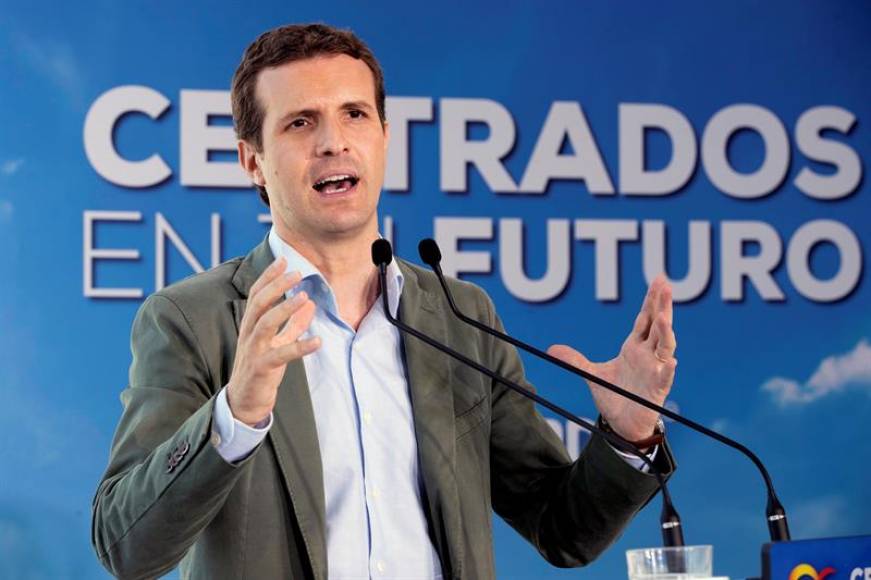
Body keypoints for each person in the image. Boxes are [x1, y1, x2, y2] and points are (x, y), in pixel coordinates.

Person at [91, 23, 678, 580]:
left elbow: (563, 529)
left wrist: (628, 434)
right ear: (253, 162)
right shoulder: (193, 320)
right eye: (300, 122)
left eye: (355, 114)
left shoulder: (461, 317)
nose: (333, 142)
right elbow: (127, 548)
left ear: (384, 137)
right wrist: (235, 415)